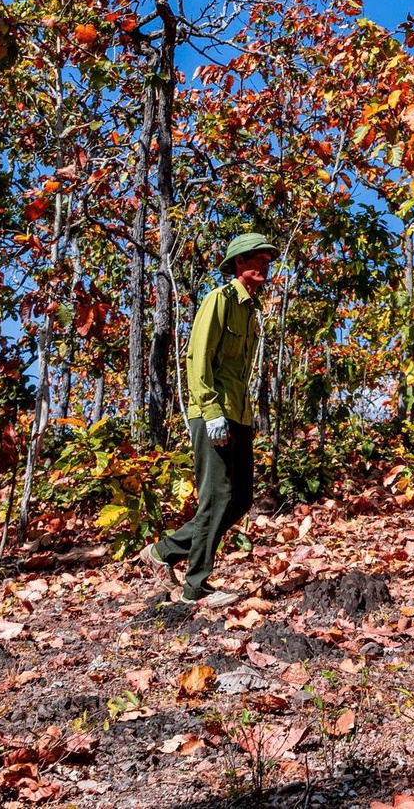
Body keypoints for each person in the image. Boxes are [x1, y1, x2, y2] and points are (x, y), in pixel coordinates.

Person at [138, 231, 277, 606]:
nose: (265, 265)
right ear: (239, 263)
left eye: (268, 260)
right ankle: (195, 587)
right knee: (215, 498)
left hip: (238, 414)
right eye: (258, 258)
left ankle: (164, 551)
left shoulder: (251, 309)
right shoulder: (220, 299)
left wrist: (244, 417)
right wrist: (212, 412)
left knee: (240, 499)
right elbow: (197, 358)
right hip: (212, 413)